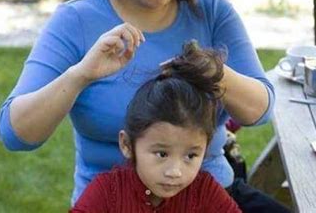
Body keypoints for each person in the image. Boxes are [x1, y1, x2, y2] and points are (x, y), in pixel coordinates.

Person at [0, 0, 289, 213]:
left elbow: (260, 111)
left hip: (209, 198)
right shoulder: (76, 21)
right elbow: (15, 134)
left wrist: (218, 75)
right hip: (112, 204)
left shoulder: (211, 12)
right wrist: (81, 75)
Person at [70, 41, 242, 212]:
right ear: (127, 144)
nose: (175, 172)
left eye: (191, 156)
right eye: (162, 154)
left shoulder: (204, 192)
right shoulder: (108, 193)